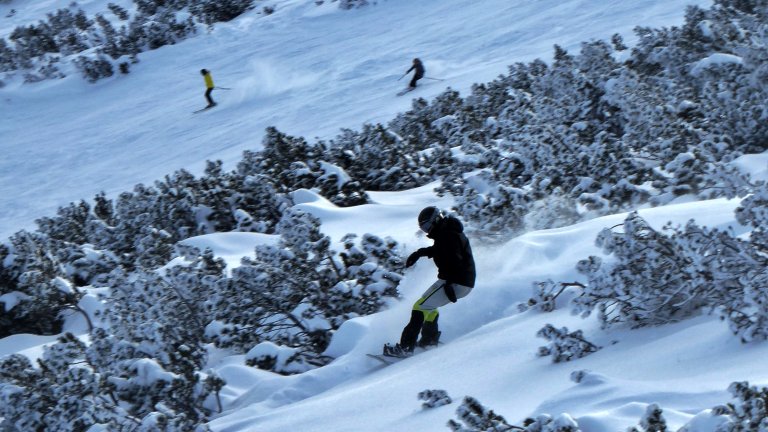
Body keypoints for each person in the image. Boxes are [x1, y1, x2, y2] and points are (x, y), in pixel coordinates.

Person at [383, 206, 476, 357]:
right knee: (428, 306)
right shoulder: (446, 233)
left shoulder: (449, 235)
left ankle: (406, 348)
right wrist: (419, 253)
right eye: (423, 228)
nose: (427, 231)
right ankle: (429, 340)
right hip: (456, 281)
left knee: (419, 307)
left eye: (427, 226)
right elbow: (440, 250)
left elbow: (455, 260)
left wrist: (449, 285)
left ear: (437, 220)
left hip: (456, 282)